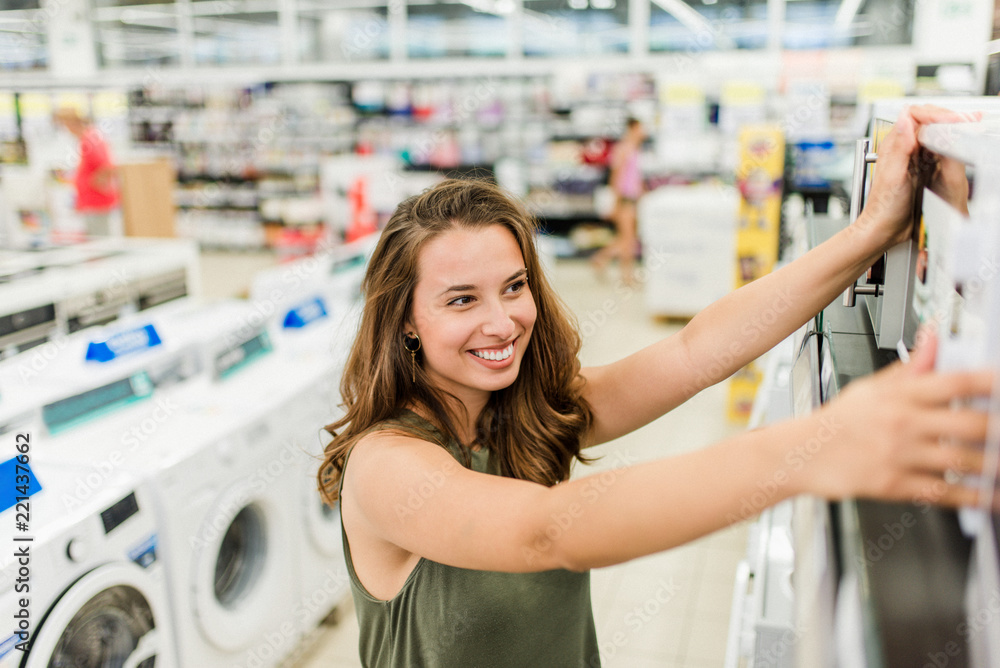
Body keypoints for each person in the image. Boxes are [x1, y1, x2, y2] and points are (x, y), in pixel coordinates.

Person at [318, 106, 990, 667]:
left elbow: (697, 352)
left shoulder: (523, 414)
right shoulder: (388, 467)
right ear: (405, 319)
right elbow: (546, 534)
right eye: (461, 300)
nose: (502, 322)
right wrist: (817, 447)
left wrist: (870, 233)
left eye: (514, 286)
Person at [590, 117, 644, 285]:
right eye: (641, 128)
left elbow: (635, 178)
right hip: (624, 200)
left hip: (632, 200)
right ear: (633, 129)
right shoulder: (623, 149)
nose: (644, 132)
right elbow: (617, 177)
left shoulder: (634, 149)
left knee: (627, 239)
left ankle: (601, 259)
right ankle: (625, 275)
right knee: (628, 240)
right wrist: (615, 202)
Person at [53, 107, 120, 237]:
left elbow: (108, 166)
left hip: (95, 203)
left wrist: (96, 184)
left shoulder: (90, 139)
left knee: (99, 241)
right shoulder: (87, 138)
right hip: (90, 202)